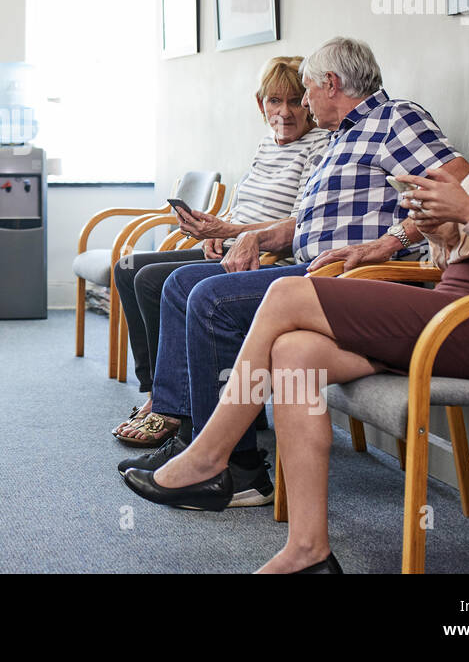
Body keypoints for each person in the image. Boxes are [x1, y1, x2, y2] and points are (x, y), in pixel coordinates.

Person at [121, 0, 469, 572]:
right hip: (452, 302)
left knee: (286, 292)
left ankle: (210, 455)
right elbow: (468, 242)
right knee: (293, 351)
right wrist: (439, 229)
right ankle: (308, 551)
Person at [117, 37, 469, 509]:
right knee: (183, 283)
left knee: (210, 298)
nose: (302, 103)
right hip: (310, 268)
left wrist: (391, 242)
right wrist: (254, 237)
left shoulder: (395, 118)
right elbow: (305, 226)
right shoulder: (338, 138)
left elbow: (459, 183)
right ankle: (196, 444)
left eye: (305, 91)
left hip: (359, 280)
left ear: (330, 83)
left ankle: (238, 470)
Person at [112, 56, 329, 446]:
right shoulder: (266, 145)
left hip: (263, 256)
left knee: (155, 281)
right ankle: (156, 393)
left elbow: (297, 222)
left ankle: (172, 406)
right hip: (229, 245)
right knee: (129, 269)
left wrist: (229, 231)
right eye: (274, 101)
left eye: (295, 101)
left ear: (309, 103)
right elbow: (247, 206)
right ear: (259, 103)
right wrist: (216, 227)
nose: (284, 112)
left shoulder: (316, 147)